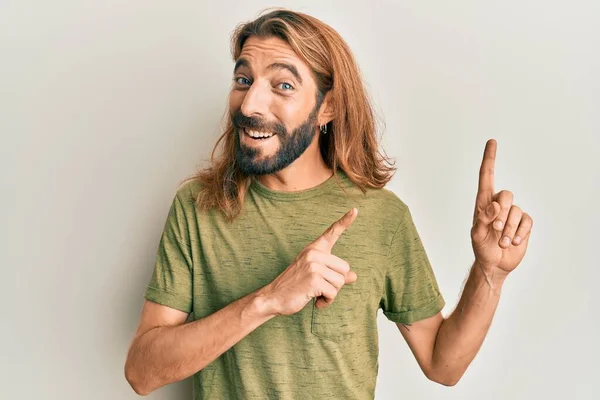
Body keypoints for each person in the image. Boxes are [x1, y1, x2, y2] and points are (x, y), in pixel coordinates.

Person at [124, 8, 533, 399]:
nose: (250, 106)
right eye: (243, 80)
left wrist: (489, 273)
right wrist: (267, 300)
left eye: (282, 85)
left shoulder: (381, 217)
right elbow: (142, 373)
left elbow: (443, 366)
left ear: (328, 107)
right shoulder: (198, 207)